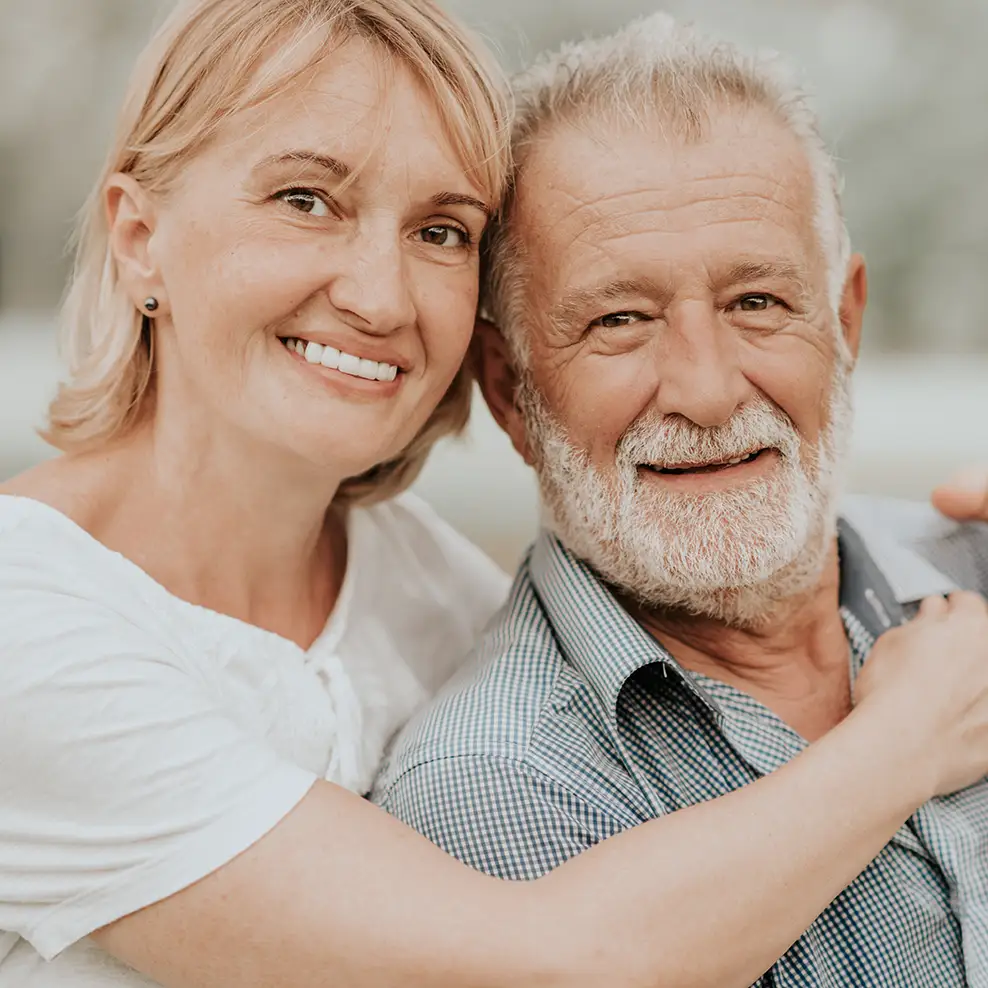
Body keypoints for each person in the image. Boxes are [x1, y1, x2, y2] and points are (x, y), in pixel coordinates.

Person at [1, 2, 988, 987]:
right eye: (306, 200)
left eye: (439, 229)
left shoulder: (421, 581)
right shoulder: (29, 630)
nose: (380, 297)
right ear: (138, 236)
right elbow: (553, 962)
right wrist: (912, 730)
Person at [375, 15, 988, 988]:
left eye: (756, 303)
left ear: (844, 322)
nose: (705, 392)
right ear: (509, 390)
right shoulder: (497, 789)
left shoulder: (973, 557)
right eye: (620, 320)